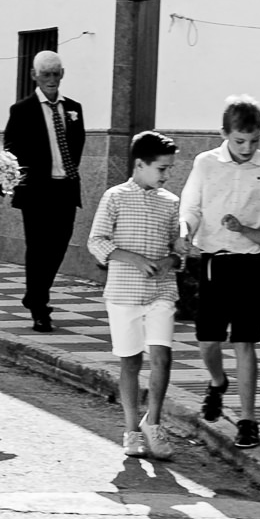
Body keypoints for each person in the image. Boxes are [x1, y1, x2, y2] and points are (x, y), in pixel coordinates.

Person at [179, 95, 260, 450]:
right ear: (225, 133)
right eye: (240, 140)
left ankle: (247, 419)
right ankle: (216, 381)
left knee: (246, 343)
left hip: (250, 264)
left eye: (254, 141)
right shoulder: (205, 163)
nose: (247, 148)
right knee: (208, 341)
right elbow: (191, 207)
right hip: (214, 262)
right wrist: (185, 231)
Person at [87, 131, 185, 459]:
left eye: (169, 169)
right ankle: (131, 429)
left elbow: (178, 251)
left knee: (162, 357)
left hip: (161, 291)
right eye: (161, 168)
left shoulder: (171, 203)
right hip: (123, 293)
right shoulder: (114, 197)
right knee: (130, 362)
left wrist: (170, 259)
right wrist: (134, 259)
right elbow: (97, 241)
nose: (166, 174)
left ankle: (153, 423)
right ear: (139, 164)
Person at [3, 50, 86, 331]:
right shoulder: (22, 110)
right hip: (37, 191)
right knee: (38, 249)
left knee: (59, 246)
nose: (51, 79)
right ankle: (39, 306)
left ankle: (35, 294)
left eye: (55, 73)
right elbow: (12, 148)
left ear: (62, 74)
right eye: (45, 74)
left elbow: (78, 144)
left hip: (65, 188)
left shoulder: (74, 108)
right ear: (34, 76)